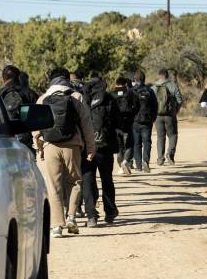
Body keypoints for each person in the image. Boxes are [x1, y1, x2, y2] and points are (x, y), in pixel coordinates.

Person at [34, 68, 96, 238]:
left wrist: (39, 147)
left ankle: (56, 226)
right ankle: (71, 217)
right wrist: (91, 148)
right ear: (67, 79)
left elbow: (36, 128)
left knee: (53, 186)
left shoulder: (43, 99)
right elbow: (87, 125)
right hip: (73, 146)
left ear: (51, 80)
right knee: (75, 182)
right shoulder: (76, 97)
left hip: (50, 146)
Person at [82, 77, 120, 227]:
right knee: (107, 180)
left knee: (88, 180)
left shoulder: (81, 99)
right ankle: (110, 212)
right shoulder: (110, 99)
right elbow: (118, 122)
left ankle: (91, 215)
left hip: (86, 147)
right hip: (105, 146)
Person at [0, 64, 37, 153]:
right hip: (28, 143)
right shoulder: (30, 93)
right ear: (18, 77)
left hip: (4, 142)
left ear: (3, 79)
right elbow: (40, 116)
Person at [153, 68, 183, 165]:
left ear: (159, 75)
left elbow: (150, 102)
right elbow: (179, 100)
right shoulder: (173, 85)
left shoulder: (154, 87)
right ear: (167, 75)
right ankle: (170, 153)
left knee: (160, 137)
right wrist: (176, 110)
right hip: (170, 115)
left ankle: (160, 159)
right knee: (173, 135)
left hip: (157, 115)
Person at [131, 70, 157, 173]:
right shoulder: (149, 90)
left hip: (135, 121)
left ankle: (138, 165)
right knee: (147, 142)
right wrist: (153, 118)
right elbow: (155, 106)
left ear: (135, 79)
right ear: (144, 79)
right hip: (147, 121)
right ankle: (146, 161)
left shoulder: (132, 90)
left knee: (136, 143)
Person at [111, 77, 139, 176]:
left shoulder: (111, 94)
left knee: (119, 146)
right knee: (129, 144)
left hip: (116, 125)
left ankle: (120, 167)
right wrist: (132, 115)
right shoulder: (131, 93)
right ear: (125, 84)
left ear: (116, 83)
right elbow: (137, 106)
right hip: (128, 123)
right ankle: (126, 161)